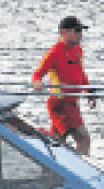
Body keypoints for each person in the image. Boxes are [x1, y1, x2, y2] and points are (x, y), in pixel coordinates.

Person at [32, 16, 96, 155]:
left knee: (57, 142)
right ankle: (80, 172)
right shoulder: (53, 53)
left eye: (81, 31)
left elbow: (80, 74)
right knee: (83, 138)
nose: (80, 35)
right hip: (60, 103)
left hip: (72, 102)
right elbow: (37, 73)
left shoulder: (78, 50)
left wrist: (89, 91)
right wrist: (37, 82)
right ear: (63, 32)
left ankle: (50, 172)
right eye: (77, 31)